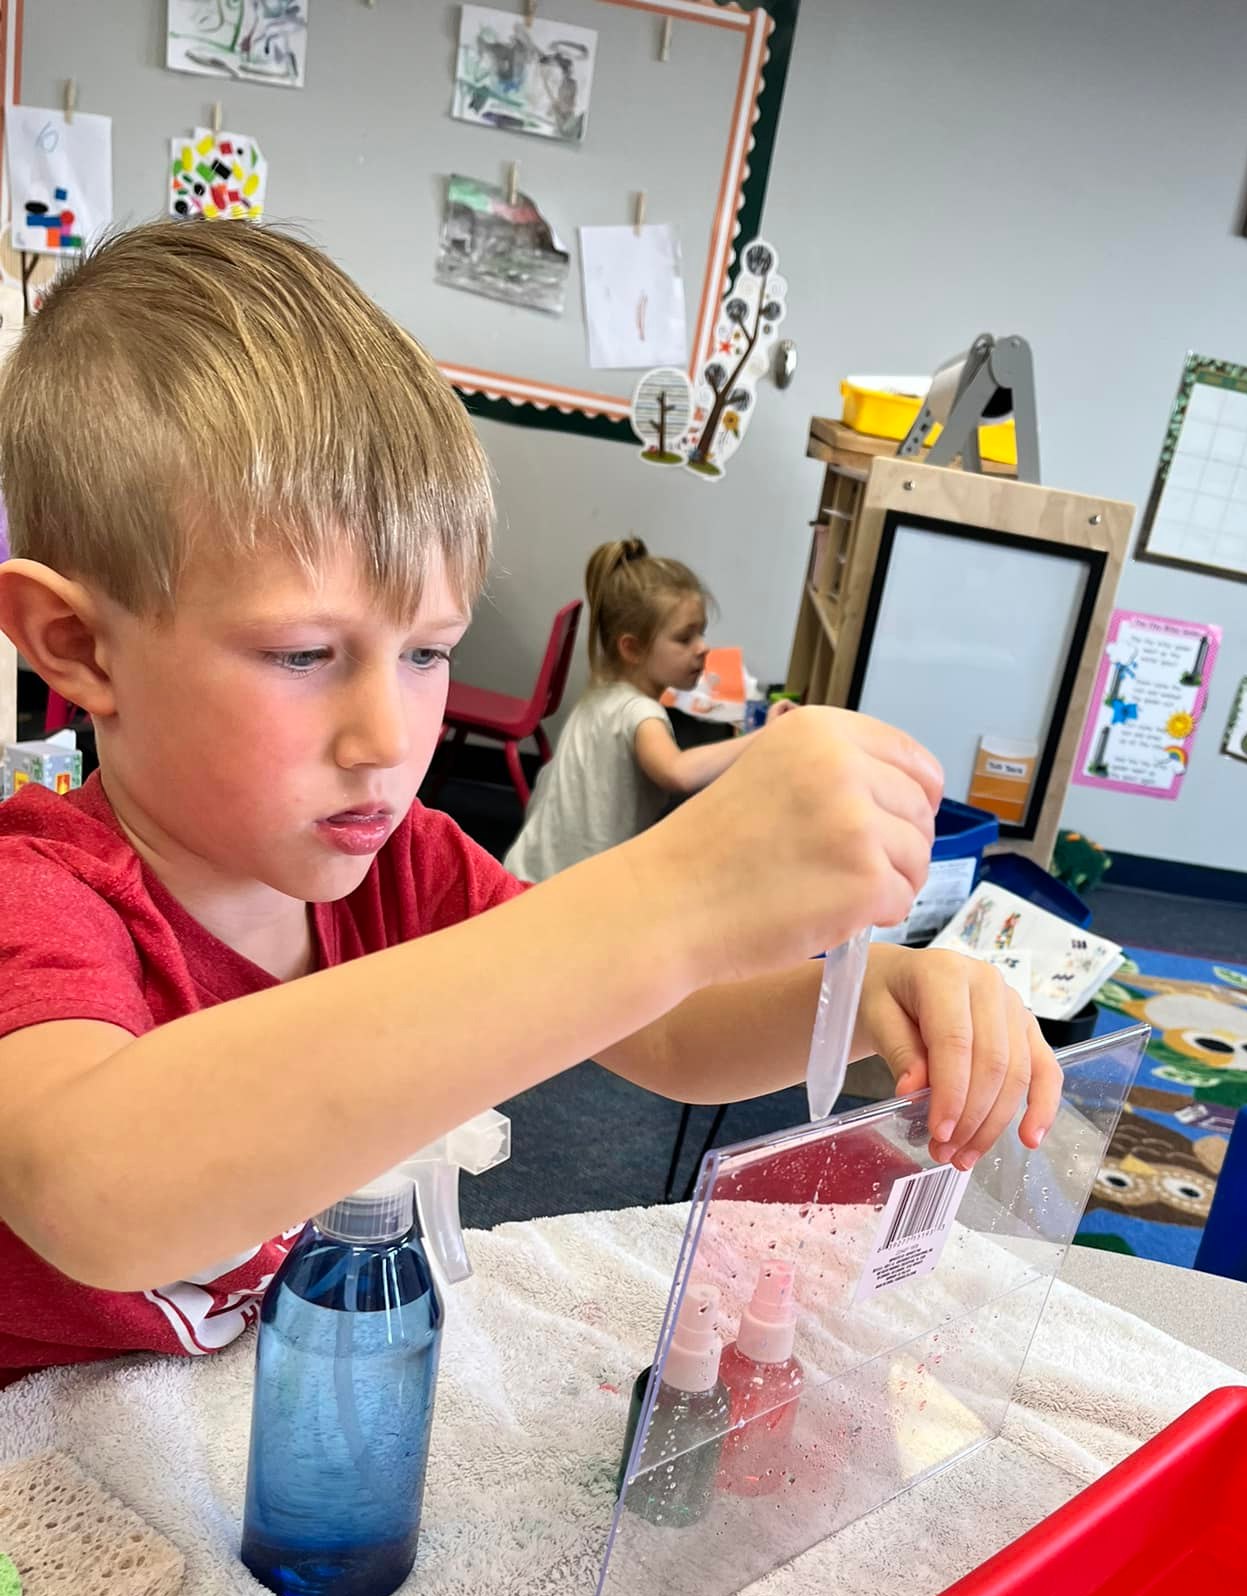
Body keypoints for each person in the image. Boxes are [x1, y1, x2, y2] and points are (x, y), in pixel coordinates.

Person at [0, 220, 1060, 1374]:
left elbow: (659, 1021)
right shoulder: (38, 898)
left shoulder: (409, 864)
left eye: (427, 652)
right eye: (303, 654)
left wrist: (876, 995)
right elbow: (97, 1188)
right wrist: (674, 891)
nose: (387, 738)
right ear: (77, 645)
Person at [505, 537, 781, 883]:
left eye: (702, 633)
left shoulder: (601, 695)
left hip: (527, 871)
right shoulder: (640, 713)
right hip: (561, 890)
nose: (703, 647)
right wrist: (767, 736)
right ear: (632, 649)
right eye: (685, 638)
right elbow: (677, 772)